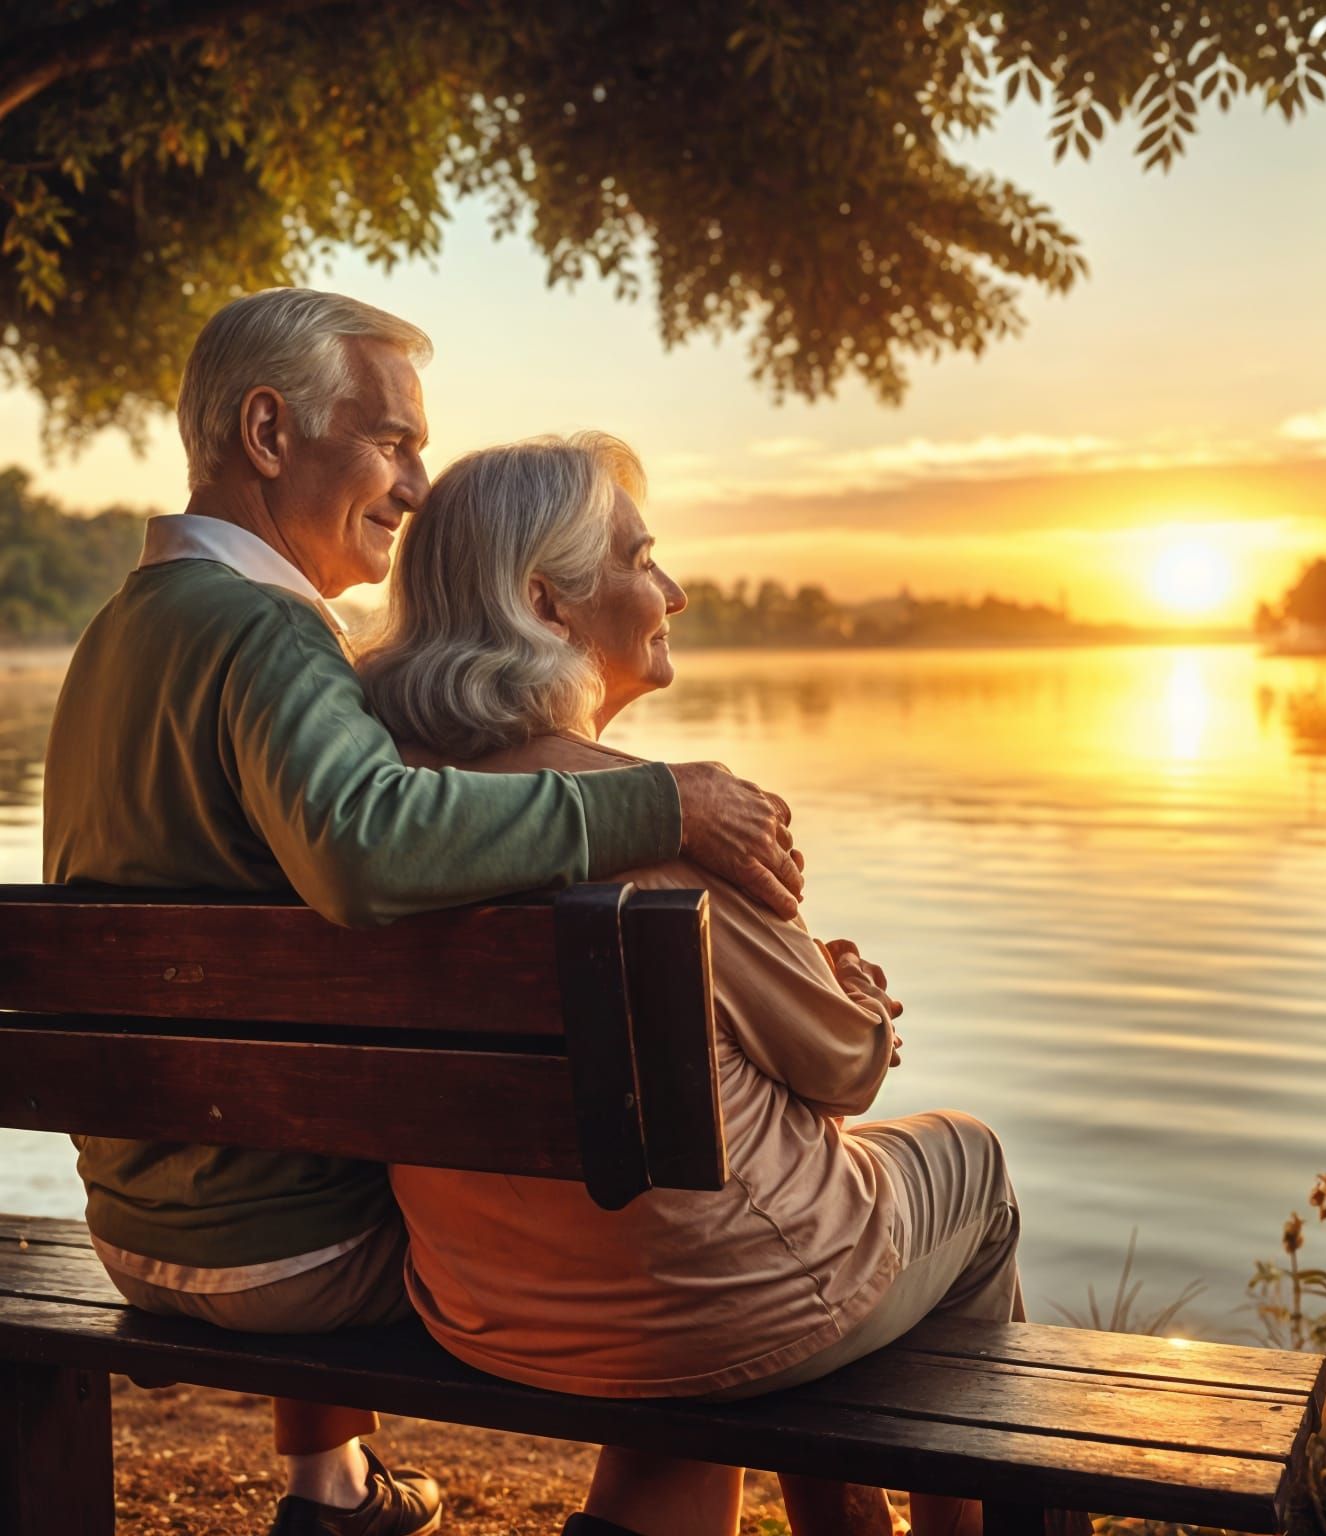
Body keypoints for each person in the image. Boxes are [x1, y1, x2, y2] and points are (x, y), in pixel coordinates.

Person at [43, 291, 804, 1536]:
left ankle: (330, 1487)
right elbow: (366, 845)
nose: (415, 484)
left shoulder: (120, 636)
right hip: (292, 1250)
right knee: (669, 1273)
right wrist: (656, 803)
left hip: (137, 1222)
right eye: (392, 442)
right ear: (270, 433)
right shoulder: (266, 634)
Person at [359, 434, 1035, 1536]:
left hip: (485, 1306)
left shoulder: (388, 824)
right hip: (728, 1306)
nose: (671, 590)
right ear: (546, 604)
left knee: (714, 1214)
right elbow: (847, 1071)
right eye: (640, 558)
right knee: (971, 1166)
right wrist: (851, 995)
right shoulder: (669, 823)